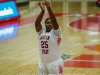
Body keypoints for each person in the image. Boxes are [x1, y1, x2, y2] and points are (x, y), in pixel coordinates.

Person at [35, 1, 63, 75]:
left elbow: (54, 20)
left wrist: (48, 8)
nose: (50, 24)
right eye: (48, 22)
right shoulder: (41, 32)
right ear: (45, 24)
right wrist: (42, 11)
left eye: (51, 23)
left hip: (55, 63)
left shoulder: (57, 32)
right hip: (42, 63)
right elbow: (37, 23)